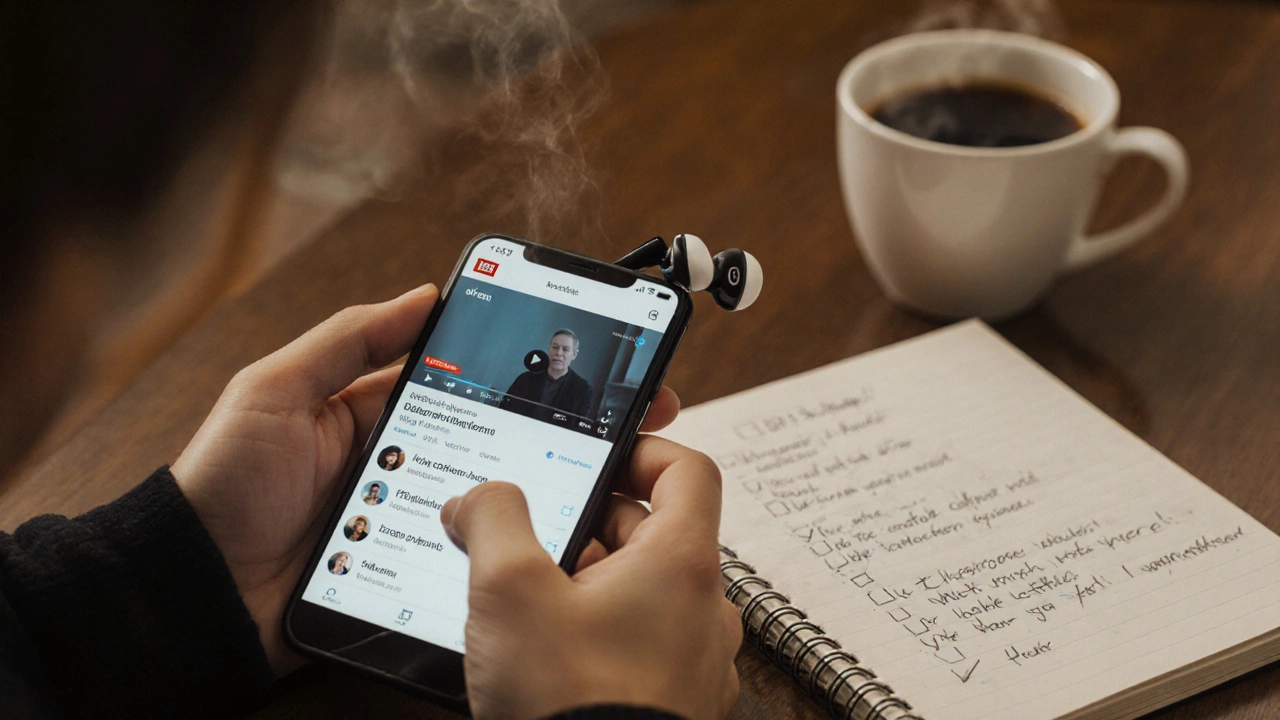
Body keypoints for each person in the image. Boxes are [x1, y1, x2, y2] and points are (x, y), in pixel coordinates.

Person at [0, 5, 740, 720]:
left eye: (567, 347)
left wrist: (181, 579)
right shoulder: (523, 378)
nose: (558, 351)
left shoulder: (578, 389)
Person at [503, 329, 594, 421]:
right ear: (549, 349)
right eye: (555, 347)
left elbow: (578, 426)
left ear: (574, 355)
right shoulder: (525, 379)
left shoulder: (583, 389)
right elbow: (504, 408)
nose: (558, 353)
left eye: (565, 349)